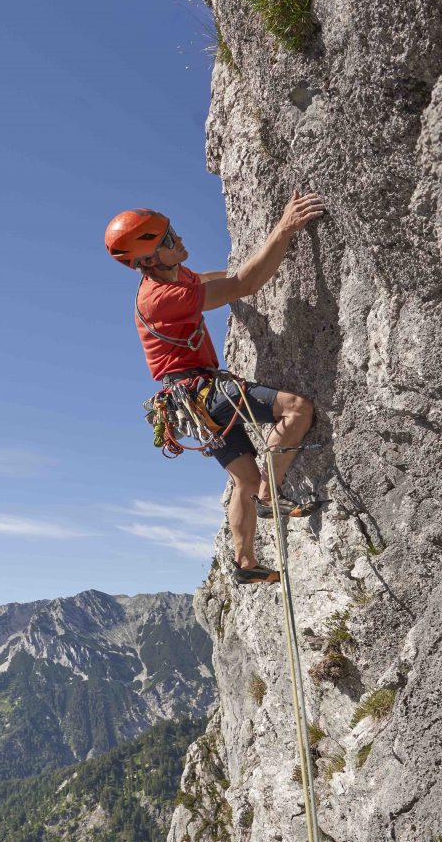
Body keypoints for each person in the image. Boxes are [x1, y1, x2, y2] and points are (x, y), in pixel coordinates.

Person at [105, 191, 326, 585]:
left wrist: (231, 278)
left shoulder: (173, 276)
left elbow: (212, 282)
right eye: (169, 238)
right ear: (151, 259)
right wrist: (285, 226)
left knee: (244, 478)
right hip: (202, 392)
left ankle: (244, 563)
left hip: (189, 405)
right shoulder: (161, 298)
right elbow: (246, 283)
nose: (179, 238)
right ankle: (270, 497)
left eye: (171, 230)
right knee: (296, 409)